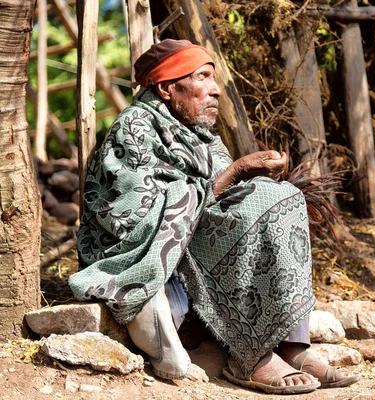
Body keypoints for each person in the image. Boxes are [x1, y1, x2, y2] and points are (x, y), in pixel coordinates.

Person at [69, 39, 359, 395]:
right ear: (166, 88)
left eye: (213, 78)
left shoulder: (199, 136)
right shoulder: (134, 129)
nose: (216, 90)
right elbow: (134, 218)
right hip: (145, 258)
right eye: (202, 78)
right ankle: (248, 355)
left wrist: (250, 178)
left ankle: (292, 346)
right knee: (264, 199)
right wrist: (237, 171)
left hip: (189, 245)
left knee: (284, 196)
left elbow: (222, 196)